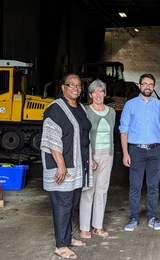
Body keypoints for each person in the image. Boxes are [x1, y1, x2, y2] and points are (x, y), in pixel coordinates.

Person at [41, 73, 93, 259]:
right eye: (71, 85)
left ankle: (67, 237)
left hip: (78, 165)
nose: (75, 88)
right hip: (63, 165)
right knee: (62, 204)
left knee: (71, 203)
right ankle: (61, 245)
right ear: (62, 87)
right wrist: (61, 166)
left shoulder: (80, 107)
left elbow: (85, 135)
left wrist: (91, 157)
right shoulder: (55, 110)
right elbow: (51, 139)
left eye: (78, 85)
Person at [119, 73, 160, 231]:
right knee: (135, 186)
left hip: (156, 151)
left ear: (154, 87)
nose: (148, 87)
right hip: (136, 151)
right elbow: (124, 130)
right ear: (139, 86)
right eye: (145, 84)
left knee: (153, 186)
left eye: (151, 84)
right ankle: (133, 217)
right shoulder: (130, 105)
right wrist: (125, 153)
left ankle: (153, 217)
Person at [79, 79, 116, 239]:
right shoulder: (86, 111)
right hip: (91, 153)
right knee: (88, 190)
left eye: (101, 91)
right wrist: (90, 156)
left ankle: (98, 226)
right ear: (90, 95)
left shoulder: (111, 112)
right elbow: (83, 136)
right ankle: (84, 227)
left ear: (105, 93)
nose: (98, 94)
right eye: (95, 92)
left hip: (108, 153)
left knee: (102, 190)